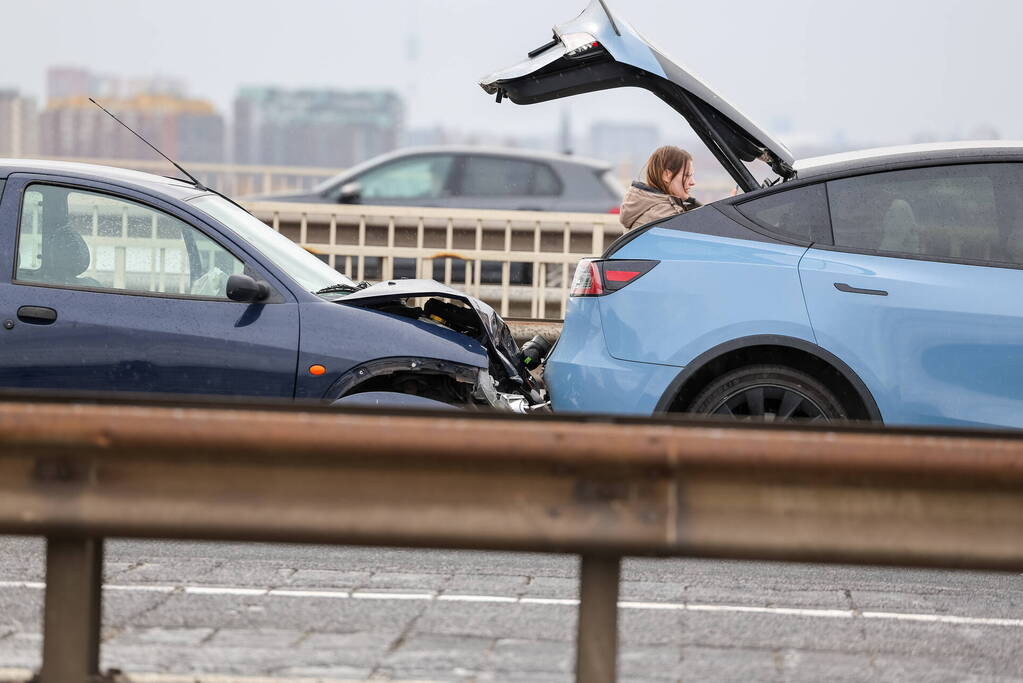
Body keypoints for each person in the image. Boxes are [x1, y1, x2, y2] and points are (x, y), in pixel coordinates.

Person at [619, 146, 699, 231]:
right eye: (687, 175)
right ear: (667, 175)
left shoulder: (645, 205)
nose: (693, 182)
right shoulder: (665, 215)